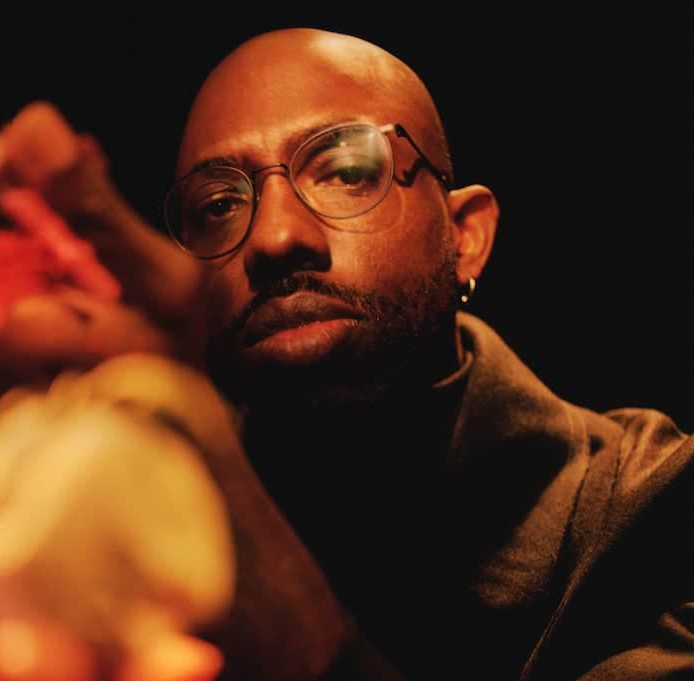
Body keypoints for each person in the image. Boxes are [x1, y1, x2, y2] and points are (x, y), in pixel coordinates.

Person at [45, 26, 694, 681]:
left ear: (465, 236)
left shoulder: (660, 513)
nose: (273, 236)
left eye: (347, 172)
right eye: (220, 204)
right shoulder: (124, 540)